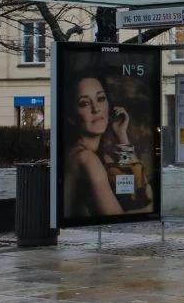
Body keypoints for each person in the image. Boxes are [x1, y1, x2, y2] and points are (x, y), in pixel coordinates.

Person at [62, 73, 152, 219]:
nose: (96, 109)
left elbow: (138, 184)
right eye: (84, 103)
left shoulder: (94, 154)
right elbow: (117, 217)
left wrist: (121, 135)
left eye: (101, 99)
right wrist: (148, 206)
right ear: (71, 116)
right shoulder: (87, 159)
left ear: (109, 105)